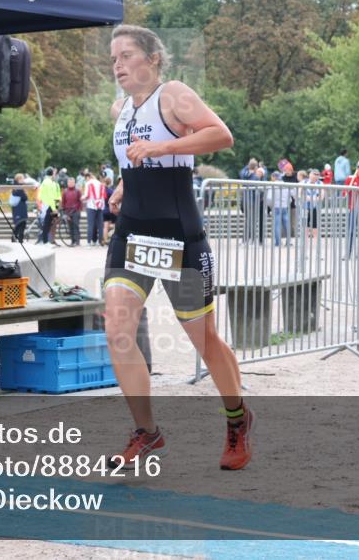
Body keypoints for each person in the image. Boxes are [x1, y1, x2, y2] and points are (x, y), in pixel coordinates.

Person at [104, 24, 250, 470]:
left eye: (126, 56)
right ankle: (147, 433)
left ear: (152, 58)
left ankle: (237, 420)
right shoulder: (120, 109)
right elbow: (140, 161)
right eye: (113, 59)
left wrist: (163, 144)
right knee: (117, 330)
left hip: (177, 237)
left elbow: (221, 134)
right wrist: (124, 188)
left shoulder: (174, 95)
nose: (118, 66)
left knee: (203, 339)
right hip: (132, 235)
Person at [37, 167, 61, 246]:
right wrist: (54, 208)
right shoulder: (49, 183)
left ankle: (46, 241)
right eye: (54, 173)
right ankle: (45, 241)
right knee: (47, 224)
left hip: (47, 205)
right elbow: (51, 197)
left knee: (49, 223)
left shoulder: (46, 181)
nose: (55, 175)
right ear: (52, 174)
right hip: (49, 205)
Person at [269, 170, 293, 246]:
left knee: (277, 225)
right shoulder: (285, 185)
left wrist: (270, 206)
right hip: (284, 207)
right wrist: (286, 203)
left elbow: (269, 198)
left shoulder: (272, 185)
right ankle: (288, 241)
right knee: (287, 224)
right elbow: (290, 198)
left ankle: (278, 242)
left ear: (274, 177)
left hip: (276, 206)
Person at [83, 171, 104, 246]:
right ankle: (100, 242)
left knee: (90, 225)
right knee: (100, 225)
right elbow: (103, 196)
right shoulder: (100, 183)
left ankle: (89, 242)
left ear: (88, 177)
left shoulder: (88, 183)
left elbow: (86, 195)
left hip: (91, 205)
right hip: (100, 206)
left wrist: (81, 198)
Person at [61, 177, 83, 246]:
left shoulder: (77, 191)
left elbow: (80, 201)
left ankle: (77, 241)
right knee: (70, 227)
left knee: (76, 226)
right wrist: (64, 212)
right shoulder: (65, 192)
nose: (70, 184)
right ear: (67, 183)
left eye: (72, 182)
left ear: (74, 183)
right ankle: (72, 241)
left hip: (76, 211)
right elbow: (63, 202)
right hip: (68, 211)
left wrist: (79, 210)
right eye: (69, 182)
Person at [9, 174, 29, 243]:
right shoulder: (19, 188)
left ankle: (18, 238)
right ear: (18, 179)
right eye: (22, 178)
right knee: (20, 224)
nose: (23, 180)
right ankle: (18, 238)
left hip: (19, 209)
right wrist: (25, 194)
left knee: (20, 224)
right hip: (20, 209)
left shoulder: (16, 187)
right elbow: (25, 197)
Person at [100, 175, 116, 245]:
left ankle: (105, 240)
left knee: (105, 226)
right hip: (109, 209)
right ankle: (109, 236)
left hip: (103, 209)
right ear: (110, 183)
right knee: (114, 225)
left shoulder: (101, 190)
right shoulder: (111, 191)